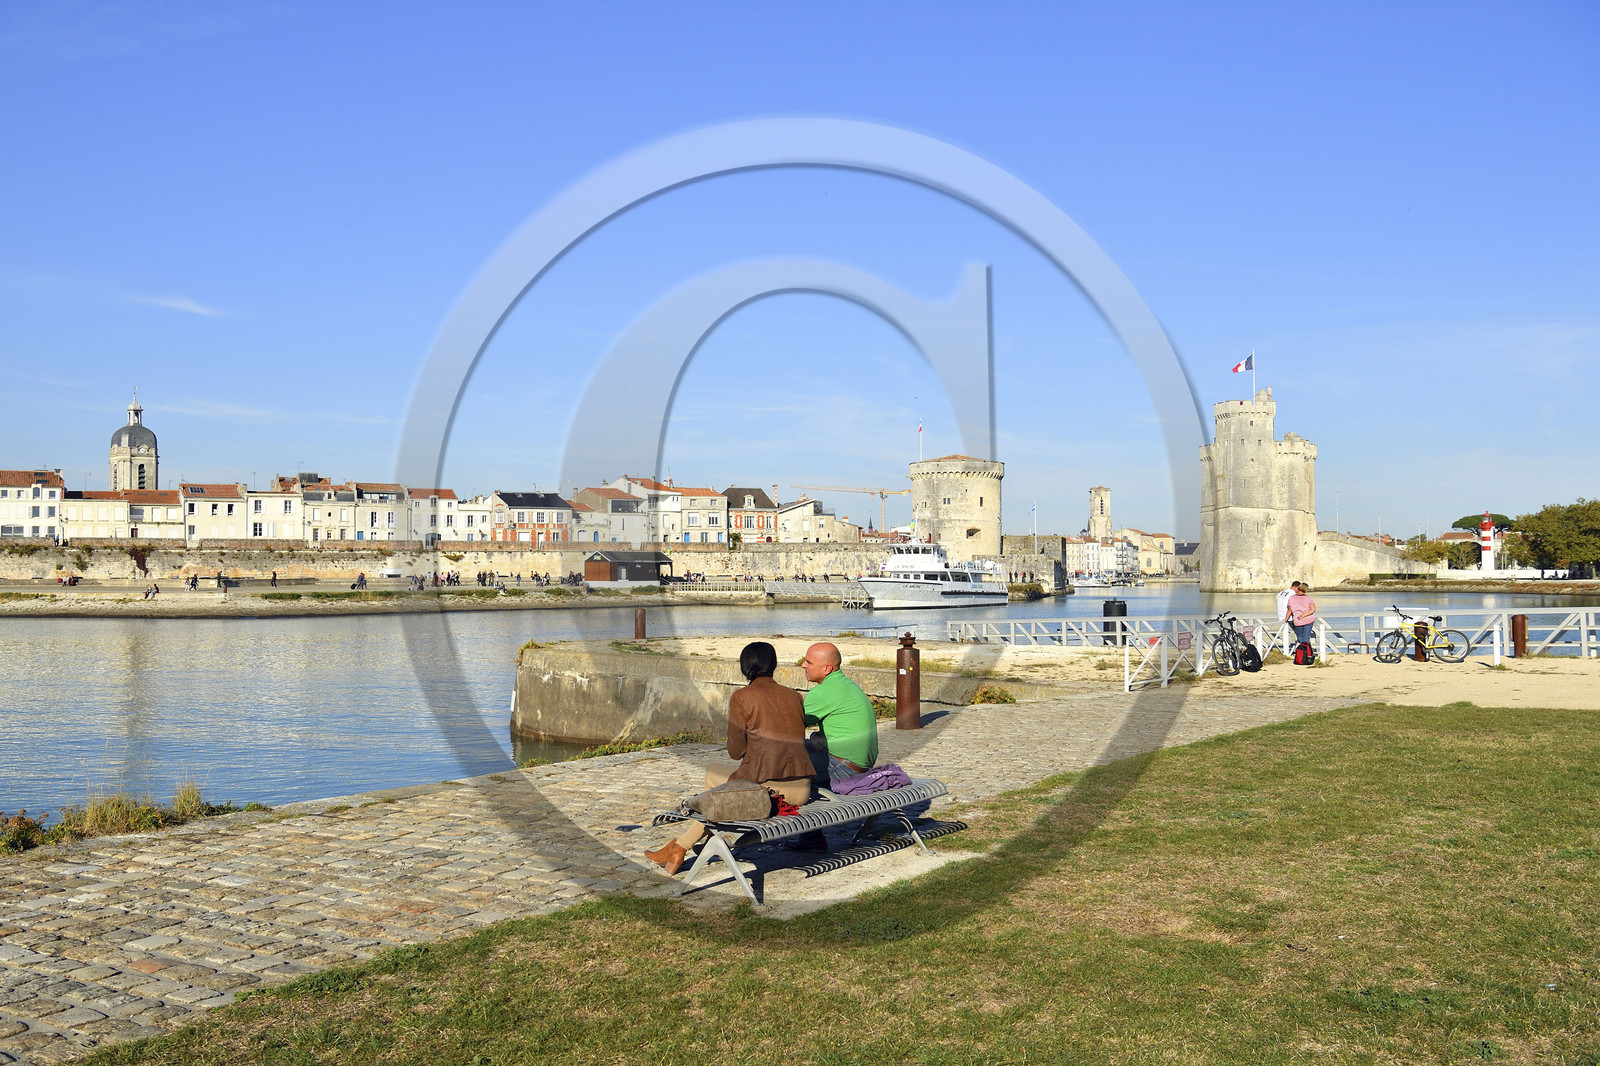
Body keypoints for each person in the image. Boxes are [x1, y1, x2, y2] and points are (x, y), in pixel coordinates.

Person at [645, 641, 813, 875]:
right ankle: (685, 845)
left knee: (713, 776)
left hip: (767, 792)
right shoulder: (795, 696)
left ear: (746, 667)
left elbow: (735, 751)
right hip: (802, 788)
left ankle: (688, 845)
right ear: (773, 665)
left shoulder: (743, 697)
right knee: (719, 793)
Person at [800, 642, 878, 782]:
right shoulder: (848, 685)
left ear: (827, 668)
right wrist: (818, 738)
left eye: (808, 662)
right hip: (860, 765)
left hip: (843, 769)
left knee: (780, 756)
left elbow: (788, 725)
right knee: (803, 745)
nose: (803, 665)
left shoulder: (821, 692)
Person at [1286, 581, 1317, 659]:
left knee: (1301, 638)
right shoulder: (1308, 598)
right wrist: (1304, 615)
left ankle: (1304, 654)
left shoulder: (1292, 598)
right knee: (1304, 639)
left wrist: (1286, 619)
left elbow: (1289, 610)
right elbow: (1313, 609)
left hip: (1299, 620)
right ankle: (1307, 653)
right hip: (1306, 620)